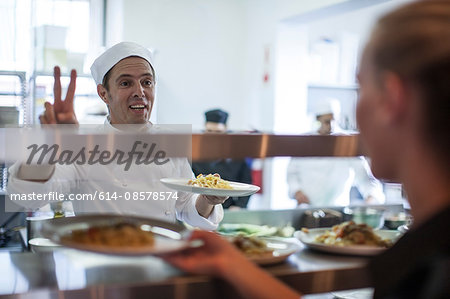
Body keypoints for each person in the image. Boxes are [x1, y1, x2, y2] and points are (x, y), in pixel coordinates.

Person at [162, 1, 450, 298]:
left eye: (360, 89)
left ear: (392, 99)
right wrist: (233, 263)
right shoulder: (425, 249)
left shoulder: (432, 270)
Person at [7, 42, 226, 230]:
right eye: (125, 83)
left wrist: (207, 199)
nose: (139, 91)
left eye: (146, 82)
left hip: (159, 261)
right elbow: (30, 196)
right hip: (101, 267)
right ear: (103, 93)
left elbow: (186, 205)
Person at [287, 98, 385, 206]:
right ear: (318, 120)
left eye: (334, 120)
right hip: (306, 208)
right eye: (327, 122)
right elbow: (292, 173)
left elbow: (366, 178)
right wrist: (297, 191)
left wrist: (371, 197)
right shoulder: (305, 142)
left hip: (338, 210)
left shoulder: (346, 143)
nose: (331, 126)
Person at [192, 109, 253, 209]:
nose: (213, 136)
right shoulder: (194, 153)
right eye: (210, 131)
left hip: (227, 207)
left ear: (225, 130)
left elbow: (247, 181)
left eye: (218, 132)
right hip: (198, 206)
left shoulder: (236, 154)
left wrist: (239, 206)